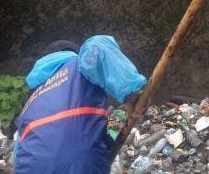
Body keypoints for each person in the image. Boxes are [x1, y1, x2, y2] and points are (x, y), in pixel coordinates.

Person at [14, 36, 147, 173]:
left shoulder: (30, 103)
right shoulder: (79, 65)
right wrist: (130, 95)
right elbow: (96, 45)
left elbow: (18, 154)